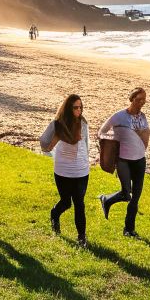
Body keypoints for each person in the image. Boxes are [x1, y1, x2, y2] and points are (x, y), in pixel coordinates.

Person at [39, 94, 92, 245]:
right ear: (68, 108)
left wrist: (86, 160)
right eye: (75, 107)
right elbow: (44, 142)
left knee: (79, 203)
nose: (79, 110)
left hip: (81, 170)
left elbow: (86, 143)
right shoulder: (58, 124)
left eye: (81, 107)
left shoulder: (83, 123)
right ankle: (54, 214)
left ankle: (81, 237)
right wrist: (52, 149)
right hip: (63, 170)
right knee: (66, 202)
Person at [99, 88, 150, 238]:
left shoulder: (143, 117)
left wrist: (142, 137)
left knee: (135, 197)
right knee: (126, 194)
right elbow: (101, 131)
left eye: (144, 99)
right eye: (139, 99)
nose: (142, 102)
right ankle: (106, 199)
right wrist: (114, 141)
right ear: (132, 99)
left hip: (140, 160)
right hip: (123, 160)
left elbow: (145, 134)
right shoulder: (119, 116)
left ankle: (129, 229)